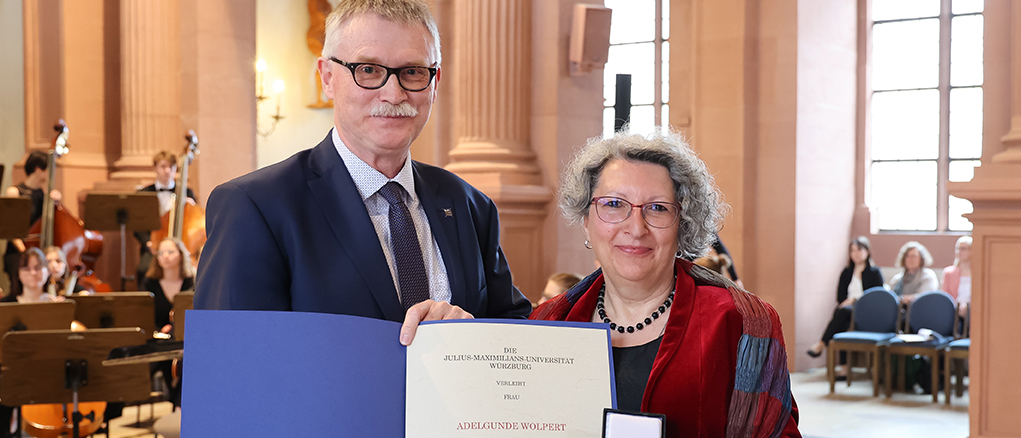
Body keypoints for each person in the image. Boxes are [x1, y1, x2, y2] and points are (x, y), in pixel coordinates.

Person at [194, 0, 531, 346]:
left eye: (413, 72)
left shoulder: (469, 206)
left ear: (435, 81)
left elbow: (515, 331)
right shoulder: (257, 208)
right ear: (327, 77)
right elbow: (230, 366)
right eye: (368, 70)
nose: (393, 93)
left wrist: (473, 331)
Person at [531, 129, 800, 437]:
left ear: (682, 225)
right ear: (586, 220)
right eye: (614, 204)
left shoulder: (739, 323)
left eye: (657, 208)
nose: (635, 228)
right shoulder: (548, 322)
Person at [805, 236, 884, 361]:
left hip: (867, 311)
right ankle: (843, 367)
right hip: (847, 310)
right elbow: (840, 296)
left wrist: (854, 300)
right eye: (852, 250)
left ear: (867, 251)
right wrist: (848, 302)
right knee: (841, 321)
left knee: (841, 312)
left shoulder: (874, 272)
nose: (855, 254)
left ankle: (821, 343)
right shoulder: (847, 272)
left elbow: (877, 296)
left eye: (859, 250)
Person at [143, 238, 194, 409]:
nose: (165, 256)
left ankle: (179, 406)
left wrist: (173, 328)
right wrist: (159, 330)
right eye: (161, 253)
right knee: (155, 361)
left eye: (170, 252)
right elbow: (144, 315)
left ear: (181, 255)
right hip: (157, 337)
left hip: (184, 337)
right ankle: (176, 404)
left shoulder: (191, 281)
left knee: (187, 360)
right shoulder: (149, 283)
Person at [134, 151, 197, 286]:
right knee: (143, 269)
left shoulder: (187, 192)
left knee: (194, 272)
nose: (167, 171)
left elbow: (194, 224)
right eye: (163, 166)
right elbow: (137, 225)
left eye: (171, 167)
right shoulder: (144, 194)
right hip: (154, 245)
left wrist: (192, 208)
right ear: (155, 168)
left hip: (181, 244)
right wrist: (149, 243)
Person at [3, 151, 61, 296]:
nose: (50, 173)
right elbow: (8, 229)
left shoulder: (45, 196)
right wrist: (25, 252)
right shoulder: (14, 192)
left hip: (38, 251)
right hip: (17, 251)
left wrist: (57, 202)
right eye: (47, 169)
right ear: (38, 169)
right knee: (17, 291)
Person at [941, 236, 972, 318]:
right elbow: (946, 296)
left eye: (963, 249)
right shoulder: (948, 273)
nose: (959, 252)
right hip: (954, 311)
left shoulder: (978, 273)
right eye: (958, 249)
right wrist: (958, 308)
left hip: (972, 310)